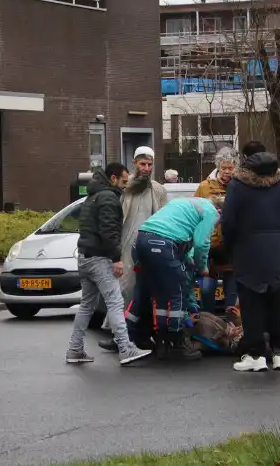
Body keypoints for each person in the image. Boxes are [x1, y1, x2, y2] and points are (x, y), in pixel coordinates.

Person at [67, 163, 152, 366]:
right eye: (123, 181)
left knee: (87, 305)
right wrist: (116, 259)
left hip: (85, 257)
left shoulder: (92, 196)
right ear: (113, 178)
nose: (125, 186)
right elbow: (109, 233)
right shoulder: (108, 198)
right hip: (100, 259)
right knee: (115, 302)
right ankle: (126, 349)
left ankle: (74, 349)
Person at [222, 151, 280, 372]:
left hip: (247, 252)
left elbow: (228, 222)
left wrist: (231, 250)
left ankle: (256, 355)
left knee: (251, 304)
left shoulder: (238, 186)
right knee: (278, 303)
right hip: (277, 252)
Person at [125, 196, 219, 361]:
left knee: (156, 292)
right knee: (179, 292)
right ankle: (176, 343)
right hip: (163, 243)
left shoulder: (185, 203)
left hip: (141, 241)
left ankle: (148, 339)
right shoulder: (211, 211)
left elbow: (185, 251)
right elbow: (201, 243)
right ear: (219, 211)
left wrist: (190, 264)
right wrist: (202, 267)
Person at [97, 146, 168, 352]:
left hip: (152, 246)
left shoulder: (158, 189)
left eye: (149, 164)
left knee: (147, 291)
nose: (146, 168)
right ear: (134, 164)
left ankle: (144, 335)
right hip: (126, 247)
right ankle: (118, 335)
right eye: (142, 164)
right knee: (124, 290)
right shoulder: (124, 188)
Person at [195, 147, 239, 311]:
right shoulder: (204, 187)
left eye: (230, 168)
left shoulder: (239, 186)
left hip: (231, 246)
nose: (227, 172)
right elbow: (195, 211)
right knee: (206, 289)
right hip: (209, 246)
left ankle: (231, 325)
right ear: (218, 168)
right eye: (224, 168)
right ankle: (208, 322)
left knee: (231, 291)